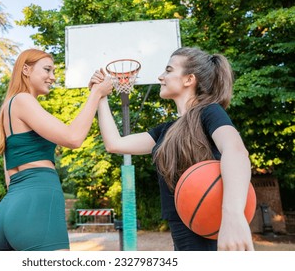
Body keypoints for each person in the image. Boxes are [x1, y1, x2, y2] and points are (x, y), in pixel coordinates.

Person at [92, 47, 254, 251]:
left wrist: (233, 215)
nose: (161, 76)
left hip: (213, 236)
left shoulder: (209, 112)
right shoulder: (166, 131)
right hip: (183, 241)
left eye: (168, 70)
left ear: (189, 79)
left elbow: (236, 151)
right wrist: (100, 96)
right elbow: (114, 143)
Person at [0, 49, 113, 251]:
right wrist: (97, 93)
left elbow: (9, 179)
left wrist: (94, 95)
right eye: (47, 69)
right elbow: (73, 138)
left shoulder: (6, 110)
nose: (52, 77)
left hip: (7, 210)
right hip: (36, 202)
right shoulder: (23, 100)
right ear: (26, 69)